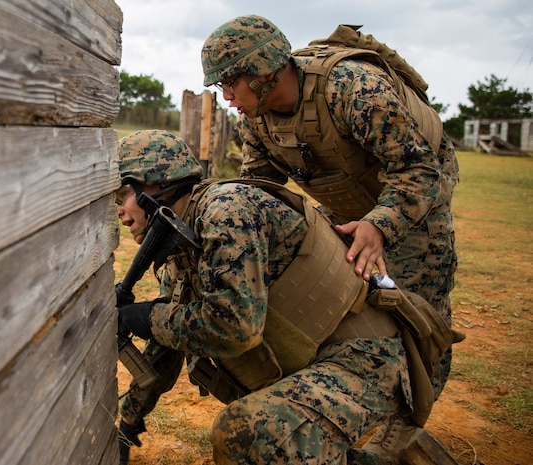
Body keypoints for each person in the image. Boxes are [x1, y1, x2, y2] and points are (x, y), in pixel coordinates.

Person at [201, 15, 459, 460]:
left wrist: (380, 224)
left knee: (421, 318)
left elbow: (420, 170)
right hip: (346, 209)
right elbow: (261, 191)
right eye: (218, 87)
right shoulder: (256, 120)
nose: (226, 97)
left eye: (230, 82)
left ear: (264, 69)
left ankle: (405, 430)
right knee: (352, 308)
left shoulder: (351, 88)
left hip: (413, 205)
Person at [114, 129, 454, 465]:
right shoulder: (180, 236)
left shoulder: (224, 211)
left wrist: (142, 317)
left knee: (250, 434)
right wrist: (128, 423)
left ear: (156, 184)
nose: (119, 210)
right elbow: (167, 344)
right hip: (319, 359)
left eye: (122, 194)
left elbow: (233, 329)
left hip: (366, 359)